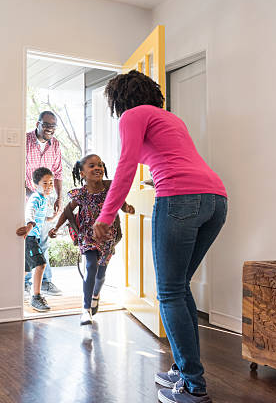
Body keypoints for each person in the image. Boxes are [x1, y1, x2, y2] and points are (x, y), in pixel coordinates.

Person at [93, 70, 227, 403]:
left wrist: (106, 215)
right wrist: (159, 180)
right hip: (216, 199)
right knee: (179, 286)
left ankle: (193, 388)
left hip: (180, 199)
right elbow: (173, 160)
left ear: (119, 99)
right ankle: (184, 370)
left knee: (168, 291)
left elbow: (125, 166)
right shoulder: (170, 119)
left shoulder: (132, 116)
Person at [49, 154, 135, 325]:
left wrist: (128, 208)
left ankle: (96, 295)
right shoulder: (81, 193)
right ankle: (85, 309)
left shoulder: (110, 187)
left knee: (101, 273)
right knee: (90, 267)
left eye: (100, 165)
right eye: (92, 165)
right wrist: (56, 228)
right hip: (87, 236)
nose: (98, 168)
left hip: (108, 237)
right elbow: (67, 211)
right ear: (82, 173)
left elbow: (121, 203)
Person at [25, 111, 63, 296]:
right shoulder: (25, 141)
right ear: (38, 123)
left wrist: (59, 198)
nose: (50, 129)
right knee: (27, 241)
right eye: (47, 125)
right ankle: (26, 282)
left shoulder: (55, 144)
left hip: (45, 201)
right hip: (26, 201)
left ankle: (46, 282)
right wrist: (32, 194)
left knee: (44, 241)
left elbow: (58, 173)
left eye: (53, 126)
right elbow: (15, 169)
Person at [16, 167, 57, 312]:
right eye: (45, 183)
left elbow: (40, 216)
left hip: (35, 237)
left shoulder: (44, 199)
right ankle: (36, 297)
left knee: (26, 270)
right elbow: (30, 212)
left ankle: (11, 293)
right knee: (41, 265)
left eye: (51, 183)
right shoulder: (35, 198)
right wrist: (29, 226)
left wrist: (50, 218)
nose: (49, 186)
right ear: (36, 185)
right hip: (30, 237)